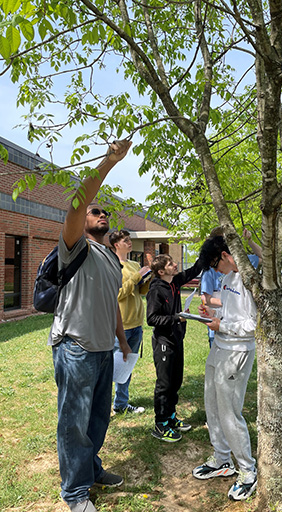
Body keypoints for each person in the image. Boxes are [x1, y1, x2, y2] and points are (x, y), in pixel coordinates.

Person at [48, 140, 132, 512]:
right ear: (83, 220)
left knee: (97, 420)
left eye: (104, 212)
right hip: (75, 347)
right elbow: (77, 203)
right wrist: (109, 162)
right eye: (95, 211)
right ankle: (74, 493)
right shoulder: (74, 246)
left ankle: (91, 468)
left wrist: (122, 343)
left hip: (103, 351)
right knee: (74, 423)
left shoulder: (112, 260)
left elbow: (110, 304)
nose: (100, 214)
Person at [192, 235, 260, 501]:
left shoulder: (248, 278)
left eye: (214, 263)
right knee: (212, 405)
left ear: (225, 255)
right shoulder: (227, 278)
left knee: (230, 412)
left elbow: (255, 325)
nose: (213, 269)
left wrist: (224, 327)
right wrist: (213, 317)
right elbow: (230, 312)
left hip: (237, 351)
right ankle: (222, 460)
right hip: (219, 347)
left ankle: (247, 471)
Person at [146, 253, 203, 442]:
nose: (175, 264)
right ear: (161, 271)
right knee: (164, 384)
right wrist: (176, 318)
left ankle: (171, 417)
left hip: (177, 339)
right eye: (171, 264)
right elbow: (151, 319)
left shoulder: (174, 282)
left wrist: (210, 246)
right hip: (164, 342)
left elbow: (195, 269)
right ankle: (160, 424)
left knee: (176, 381)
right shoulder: (156, 289)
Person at [109, 229, 151, 414]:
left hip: (137, 323)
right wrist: (136, 277)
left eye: (129, 239)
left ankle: (120, 403)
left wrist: (149, 277)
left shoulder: (134, 263)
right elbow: (117, 294)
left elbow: (141, 291)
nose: (129, 242)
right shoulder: (113, 265)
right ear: (116, 245)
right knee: (117, 365)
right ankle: (117, 403)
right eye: (125, 240)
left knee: (127, 366)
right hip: (122, 325)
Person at [200, 228, 262, 347]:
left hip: (239, 341)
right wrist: (214, 311)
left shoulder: (244, 271)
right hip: (221, 332)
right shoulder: (220, 274)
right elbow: (206, 300)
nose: (217, 270)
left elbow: (263, 258)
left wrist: (250, 241)